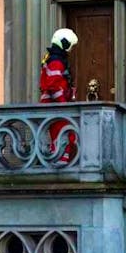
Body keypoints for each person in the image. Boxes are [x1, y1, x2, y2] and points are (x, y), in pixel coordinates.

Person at [39, 28, 79, 163]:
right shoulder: (56, 61)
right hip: (55, 106)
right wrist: (62, 103)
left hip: (55, 104)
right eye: (71, 46)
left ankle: (61, 161)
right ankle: (60, 164)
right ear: (65, 43)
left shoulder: (53, 59)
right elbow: (54, 85)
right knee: (63, 134)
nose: (71, 50)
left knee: (65, 133)